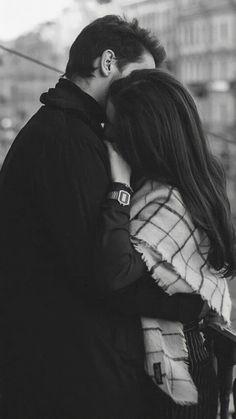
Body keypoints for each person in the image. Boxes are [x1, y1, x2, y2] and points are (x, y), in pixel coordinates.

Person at [0, 15, 206, 419]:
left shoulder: (69, 131)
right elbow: (102, 275)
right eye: (140, 76)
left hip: (65, 362)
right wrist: (190, 305)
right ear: (108, 62)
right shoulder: (67, 140)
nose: (148, 91)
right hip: (69, 373)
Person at [96, 68, 236, 418]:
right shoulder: (194, 181)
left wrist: (119, 188)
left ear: (142, 136)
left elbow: (116, 274)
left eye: (113, 126)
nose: (106, 134)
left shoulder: (167, 199)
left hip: (179, 362)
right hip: (189, 351)